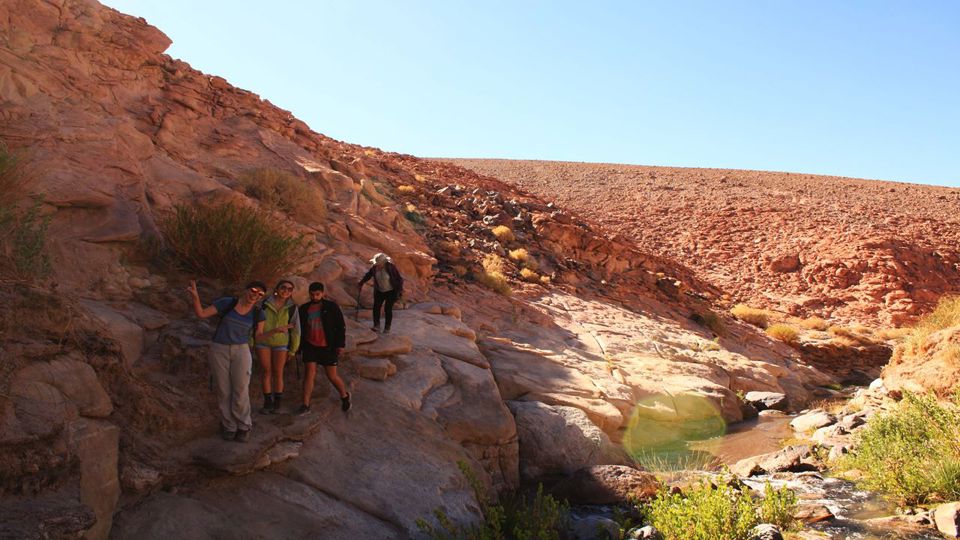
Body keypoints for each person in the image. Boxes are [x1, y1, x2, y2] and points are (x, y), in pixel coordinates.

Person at [188, 279, 268, 442]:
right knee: (223, 389)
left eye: (260, 294)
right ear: (246, 289)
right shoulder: (228, 303)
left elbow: (259, 336)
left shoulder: (259, 313)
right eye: (253, 290)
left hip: (241, 350)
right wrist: (195, 297)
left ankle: (244, 425)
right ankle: (229, 425)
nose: (255, 295)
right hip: (219, 348)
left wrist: (275, 332)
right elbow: (201, 314)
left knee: (240, 389)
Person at [295, 282, 349, 415]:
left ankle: (344, 395)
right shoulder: (304, 308)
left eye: (317, 294)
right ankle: (305, 404)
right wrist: (298, 347)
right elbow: (300, 329)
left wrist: (340, 344)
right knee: (309, 375)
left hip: (327, 347)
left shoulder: (331, 307)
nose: (315, 297)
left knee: (332, 376)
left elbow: (340, 326)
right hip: (310, 346)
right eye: (312, 294)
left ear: (323, 293)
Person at [254, 280, 301, 415]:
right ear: (277, 288)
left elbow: (296, 329)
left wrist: (293, 349)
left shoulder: (292, 307)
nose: (286, 291)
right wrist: (252, 341)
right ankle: (268, 402)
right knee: (266, 372)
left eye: (289, 289)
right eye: (283, 287)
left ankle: (277, 403)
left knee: (278, 373)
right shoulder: (264, 303)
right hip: (263, 341)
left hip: (281, 343)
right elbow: (255, 323)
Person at [358, 252, 403, 333]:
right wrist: (361, 282)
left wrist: (399, 290)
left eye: (379, 263)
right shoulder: (374, 268)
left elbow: (399, 279)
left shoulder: (390, 267)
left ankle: (387, 328)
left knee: (387, 309)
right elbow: (368, 275)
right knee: (376, 308)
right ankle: (376, 326)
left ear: (384, 262)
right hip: (379, 290)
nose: (377, 265)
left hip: (391, 291)